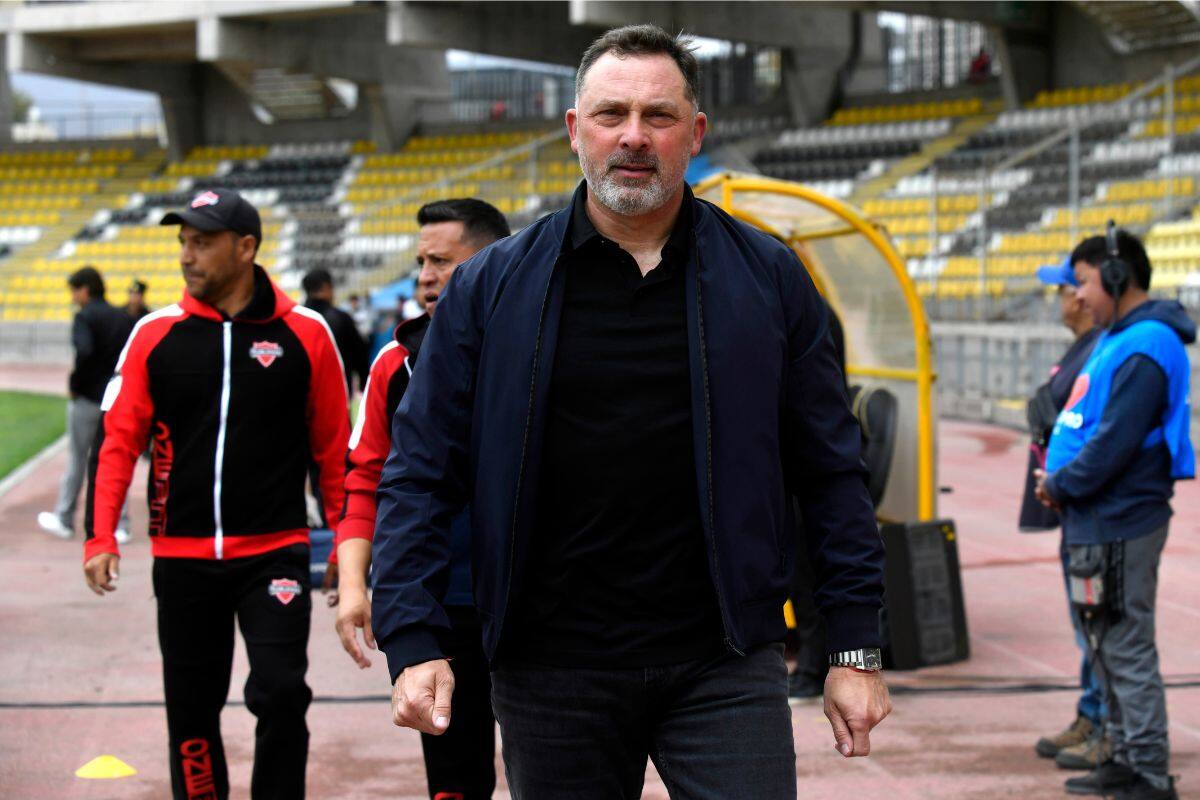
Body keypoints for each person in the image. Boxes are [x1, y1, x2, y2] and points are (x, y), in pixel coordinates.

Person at [372, 25, 890, 799]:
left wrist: (854, 648)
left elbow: (831, 471)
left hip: (724, 659)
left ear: (696, 133)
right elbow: (419, 471)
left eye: (659, 115)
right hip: (549, 667)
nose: (634, 137)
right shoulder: (492, 288)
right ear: (575, 130)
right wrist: (413, 636)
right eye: (611, 114)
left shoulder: (770, 278)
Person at [83, 187, 350, 800]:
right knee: (191, 710)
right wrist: (101, 536)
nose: (186, 255)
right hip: (182, 559)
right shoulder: (154, 334)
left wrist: (345, 539)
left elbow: (333, 452)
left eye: (202, 243)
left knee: (282, 692)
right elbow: (117, 443)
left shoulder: (305, 333)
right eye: (183, 242)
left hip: (275, 553)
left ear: (245, 248)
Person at [336, 198, 510, 800]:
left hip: (538, 604)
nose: (426, 278)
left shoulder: (543, 348)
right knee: (455, 780)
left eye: (442, 261)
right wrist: (354, 586)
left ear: (491, 263)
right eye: (421, 263)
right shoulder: (395, 362)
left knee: (559, 772)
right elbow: (367, 479)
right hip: (441, 606)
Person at [1036, 226, 1193, 800]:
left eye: (1083, 282)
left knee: (1126, 646)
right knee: (1105, 644)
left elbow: (1114, 443)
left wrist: (1060, 483)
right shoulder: (1120, 338)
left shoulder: (1148, 344)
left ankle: (1148, 771)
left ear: (1117, 276)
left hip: (1121, 519)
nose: (1077, 296)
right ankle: (1124, 756)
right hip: (1098, 518)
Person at [1023, 256, 1107, 768]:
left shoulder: (1101, 349)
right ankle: (1093, 713)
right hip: (1074, 508)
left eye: (1067, 288)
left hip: (1091, 512)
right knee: (1088, 624)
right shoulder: (1086, 347)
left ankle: (1104, 722)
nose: (1062, 298)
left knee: (1097, 625)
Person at [37, 266, 133, 543]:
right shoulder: (122, 317)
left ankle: (65, 517)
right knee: (116, 461)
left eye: (74, 291)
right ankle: (120, 524)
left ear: (85, 289)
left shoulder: (84, 316)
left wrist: (75, 385)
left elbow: (85, 351)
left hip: (89, 398)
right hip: (116, 397)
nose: (73, 297)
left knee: (78, 460)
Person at [302, 268, 369, 395]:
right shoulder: (341, 318)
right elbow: (360, 353)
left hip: (304, 390)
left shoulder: (297, 319)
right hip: (338, 389)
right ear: (326, 287)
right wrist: (363, 381)